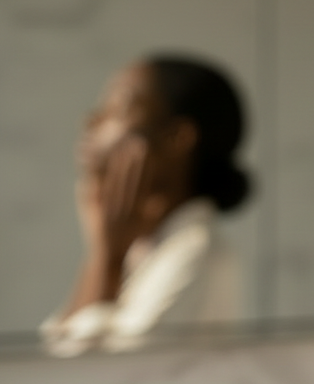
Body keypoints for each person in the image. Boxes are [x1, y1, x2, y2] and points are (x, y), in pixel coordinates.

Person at [40, 54, 251, 357]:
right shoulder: (139, 248)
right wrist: (104, 251)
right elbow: (49, 357)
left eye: (117, 110)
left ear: (177, 138)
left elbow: (87, 382)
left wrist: (108, 259)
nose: (90, 121)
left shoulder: (197, 253)